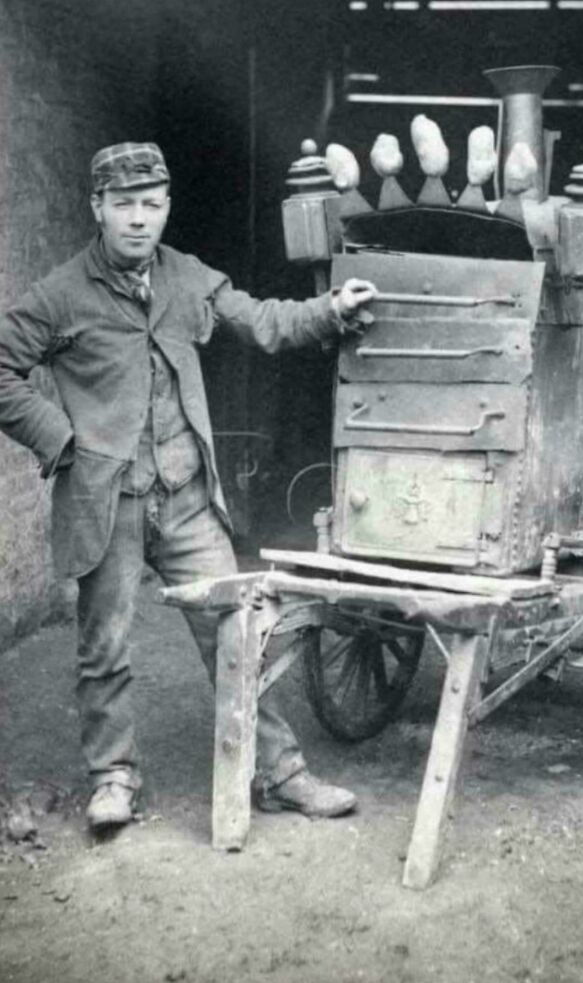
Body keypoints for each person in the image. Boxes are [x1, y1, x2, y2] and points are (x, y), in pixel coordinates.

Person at [0, 142, 376, 829]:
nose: (137, 220)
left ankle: (281, 772)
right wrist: (59, 442)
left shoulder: (186, 277)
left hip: (186, 496)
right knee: (104, 644)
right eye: (122, 206)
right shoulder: (60, 294)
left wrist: (329, 309)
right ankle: (113, 777)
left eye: (150, 205)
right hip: (105, 502)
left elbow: (261, 320)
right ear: (97, 209)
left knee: (235, 632)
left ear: (166, 207)